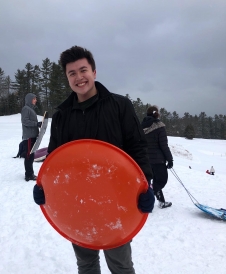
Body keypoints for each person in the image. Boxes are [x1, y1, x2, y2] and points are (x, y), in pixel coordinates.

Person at [33, 46, 155, 274]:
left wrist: (144, 184)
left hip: (115, 202)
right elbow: (55, 159)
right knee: (86, 264)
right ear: (67, 78)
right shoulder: (62, 114)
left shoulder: (119, 106)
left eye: (83, 70)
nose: (79, 77)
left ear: (94, 72)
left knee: (120, 265)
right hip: (77, 203)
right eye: (72, 73)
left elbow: (137, 147)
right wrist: (44, 186)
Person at [141, 106, 173, 209]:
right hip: (158, 160)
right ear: (156, 113)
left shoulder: (141, 126)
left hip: (145, 159)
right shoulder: (159, 126)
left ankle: (161, 202)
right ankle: (146, 197)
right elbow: (164, 145)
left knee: (149, 180)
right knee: (161, 180)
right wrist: (170, 159)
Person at [21, 93, 42, 181]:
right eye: (34, 99)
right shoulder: (26, 109)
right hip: (29, 136)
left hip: (32, 136)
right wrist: (36, 124)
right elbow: (25, 121)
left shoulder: (30, 109)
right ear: (30, 99)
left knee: (31, 155)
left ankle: (30, 173)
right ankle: (28, 175)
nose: (35, 100)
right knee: (29, 156)